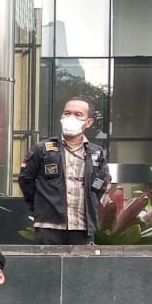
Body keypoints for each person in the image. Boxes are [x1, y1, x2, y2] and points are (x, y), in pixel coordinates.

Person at [17, 98, 110, 245]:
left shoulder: (96, 152)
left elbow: (101, 182)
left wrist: (91, 199)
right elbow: (26, 180)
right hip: (49, 225)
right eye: (67, 113)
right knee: (48, 260)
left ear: (88, 122)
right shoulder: (43, 149)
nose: (71, 117)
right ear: (61, 117)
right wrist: (41, 204)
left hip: (82, 226)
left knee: (81, 260)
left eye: (78, 114)